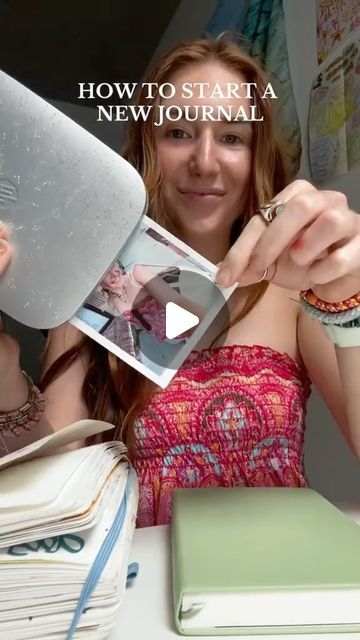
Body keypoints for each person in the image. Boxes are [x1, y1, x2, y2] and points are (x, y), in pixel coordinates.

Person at [0, 36, 359, 526]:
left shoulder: (296, 289)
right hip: (144, 592)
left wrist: (347, 297)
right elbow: (52, 497)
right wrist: (2, 374)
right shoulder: (99, 287)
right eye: (179, 133)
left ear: (256, 156)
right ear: (148, 148)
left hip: (279, 586)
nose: (206, 161)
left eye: (232, 137)